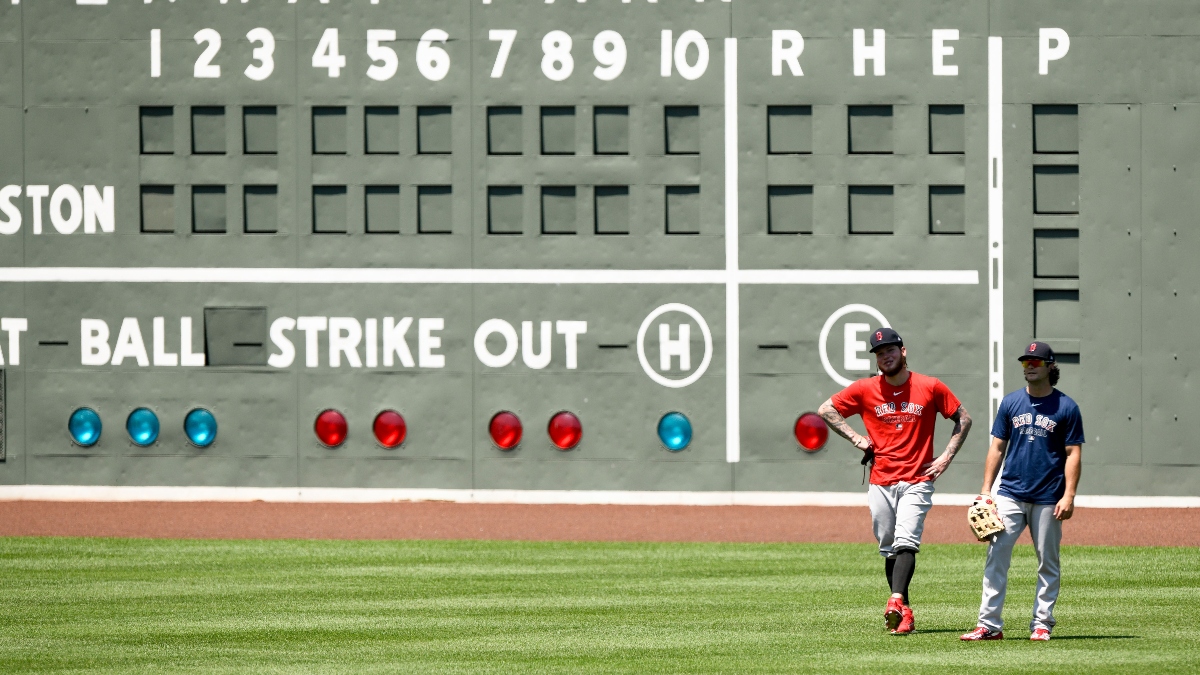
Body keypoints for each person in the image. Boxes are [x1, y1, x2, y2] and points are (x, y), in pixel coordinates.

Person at [818, 327, 972, 635]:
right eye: (878, 353)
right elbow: (826, 410)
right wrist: (855, 439)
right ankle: (905, 614)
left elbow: (963, 418)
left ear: (903, 351)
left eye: (889, 350)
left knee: (906, 540)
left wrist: (945, 458)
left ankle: (895, 599)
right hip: (881, 480)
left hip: (917, 478)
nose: (884, 356)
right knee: (889, 546)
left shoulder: (929, 386)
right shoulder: (865, 389)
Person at [961, 341, 1084, 642]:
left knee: (1048, 561)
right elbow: (997, 448)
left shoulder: (1066, 407)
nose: (1029, 366)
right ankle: (989, 625)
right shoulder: (1011, 402)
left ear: (1050, 367)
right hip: (1010, 493)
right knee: (996, 557)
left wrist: (1069, 495)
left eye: (1036, 362)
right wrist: (985, 492)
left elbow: (1073, 453)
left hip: (1048, 497)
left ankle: (1042, 623)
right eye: (1025, 362)